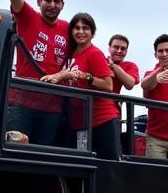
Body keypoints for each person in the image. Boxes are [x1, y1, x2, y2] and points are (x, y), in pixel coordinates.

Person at [3, 0, 70, 146]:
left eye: (56, 1)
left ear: (62, 5)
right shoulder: (29, 18)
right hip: (21, 103)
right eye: (47, 0)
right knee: (16, 154)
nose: (52, 5)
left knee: (43, 158)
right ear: (39, 2)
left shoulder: (69, 28)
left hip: (52, 108)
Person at [43, 12, 119, 160]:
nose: (81, 32)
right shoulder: (71, 53)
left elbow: (108, 85)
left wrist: (80, 75)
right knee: (81, 167)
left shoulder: (94, 53)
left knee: (107, 168)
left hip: (101, 120)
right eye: (77, 28)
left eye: (85, 28)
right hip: (79, 122)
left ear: (92, 32)